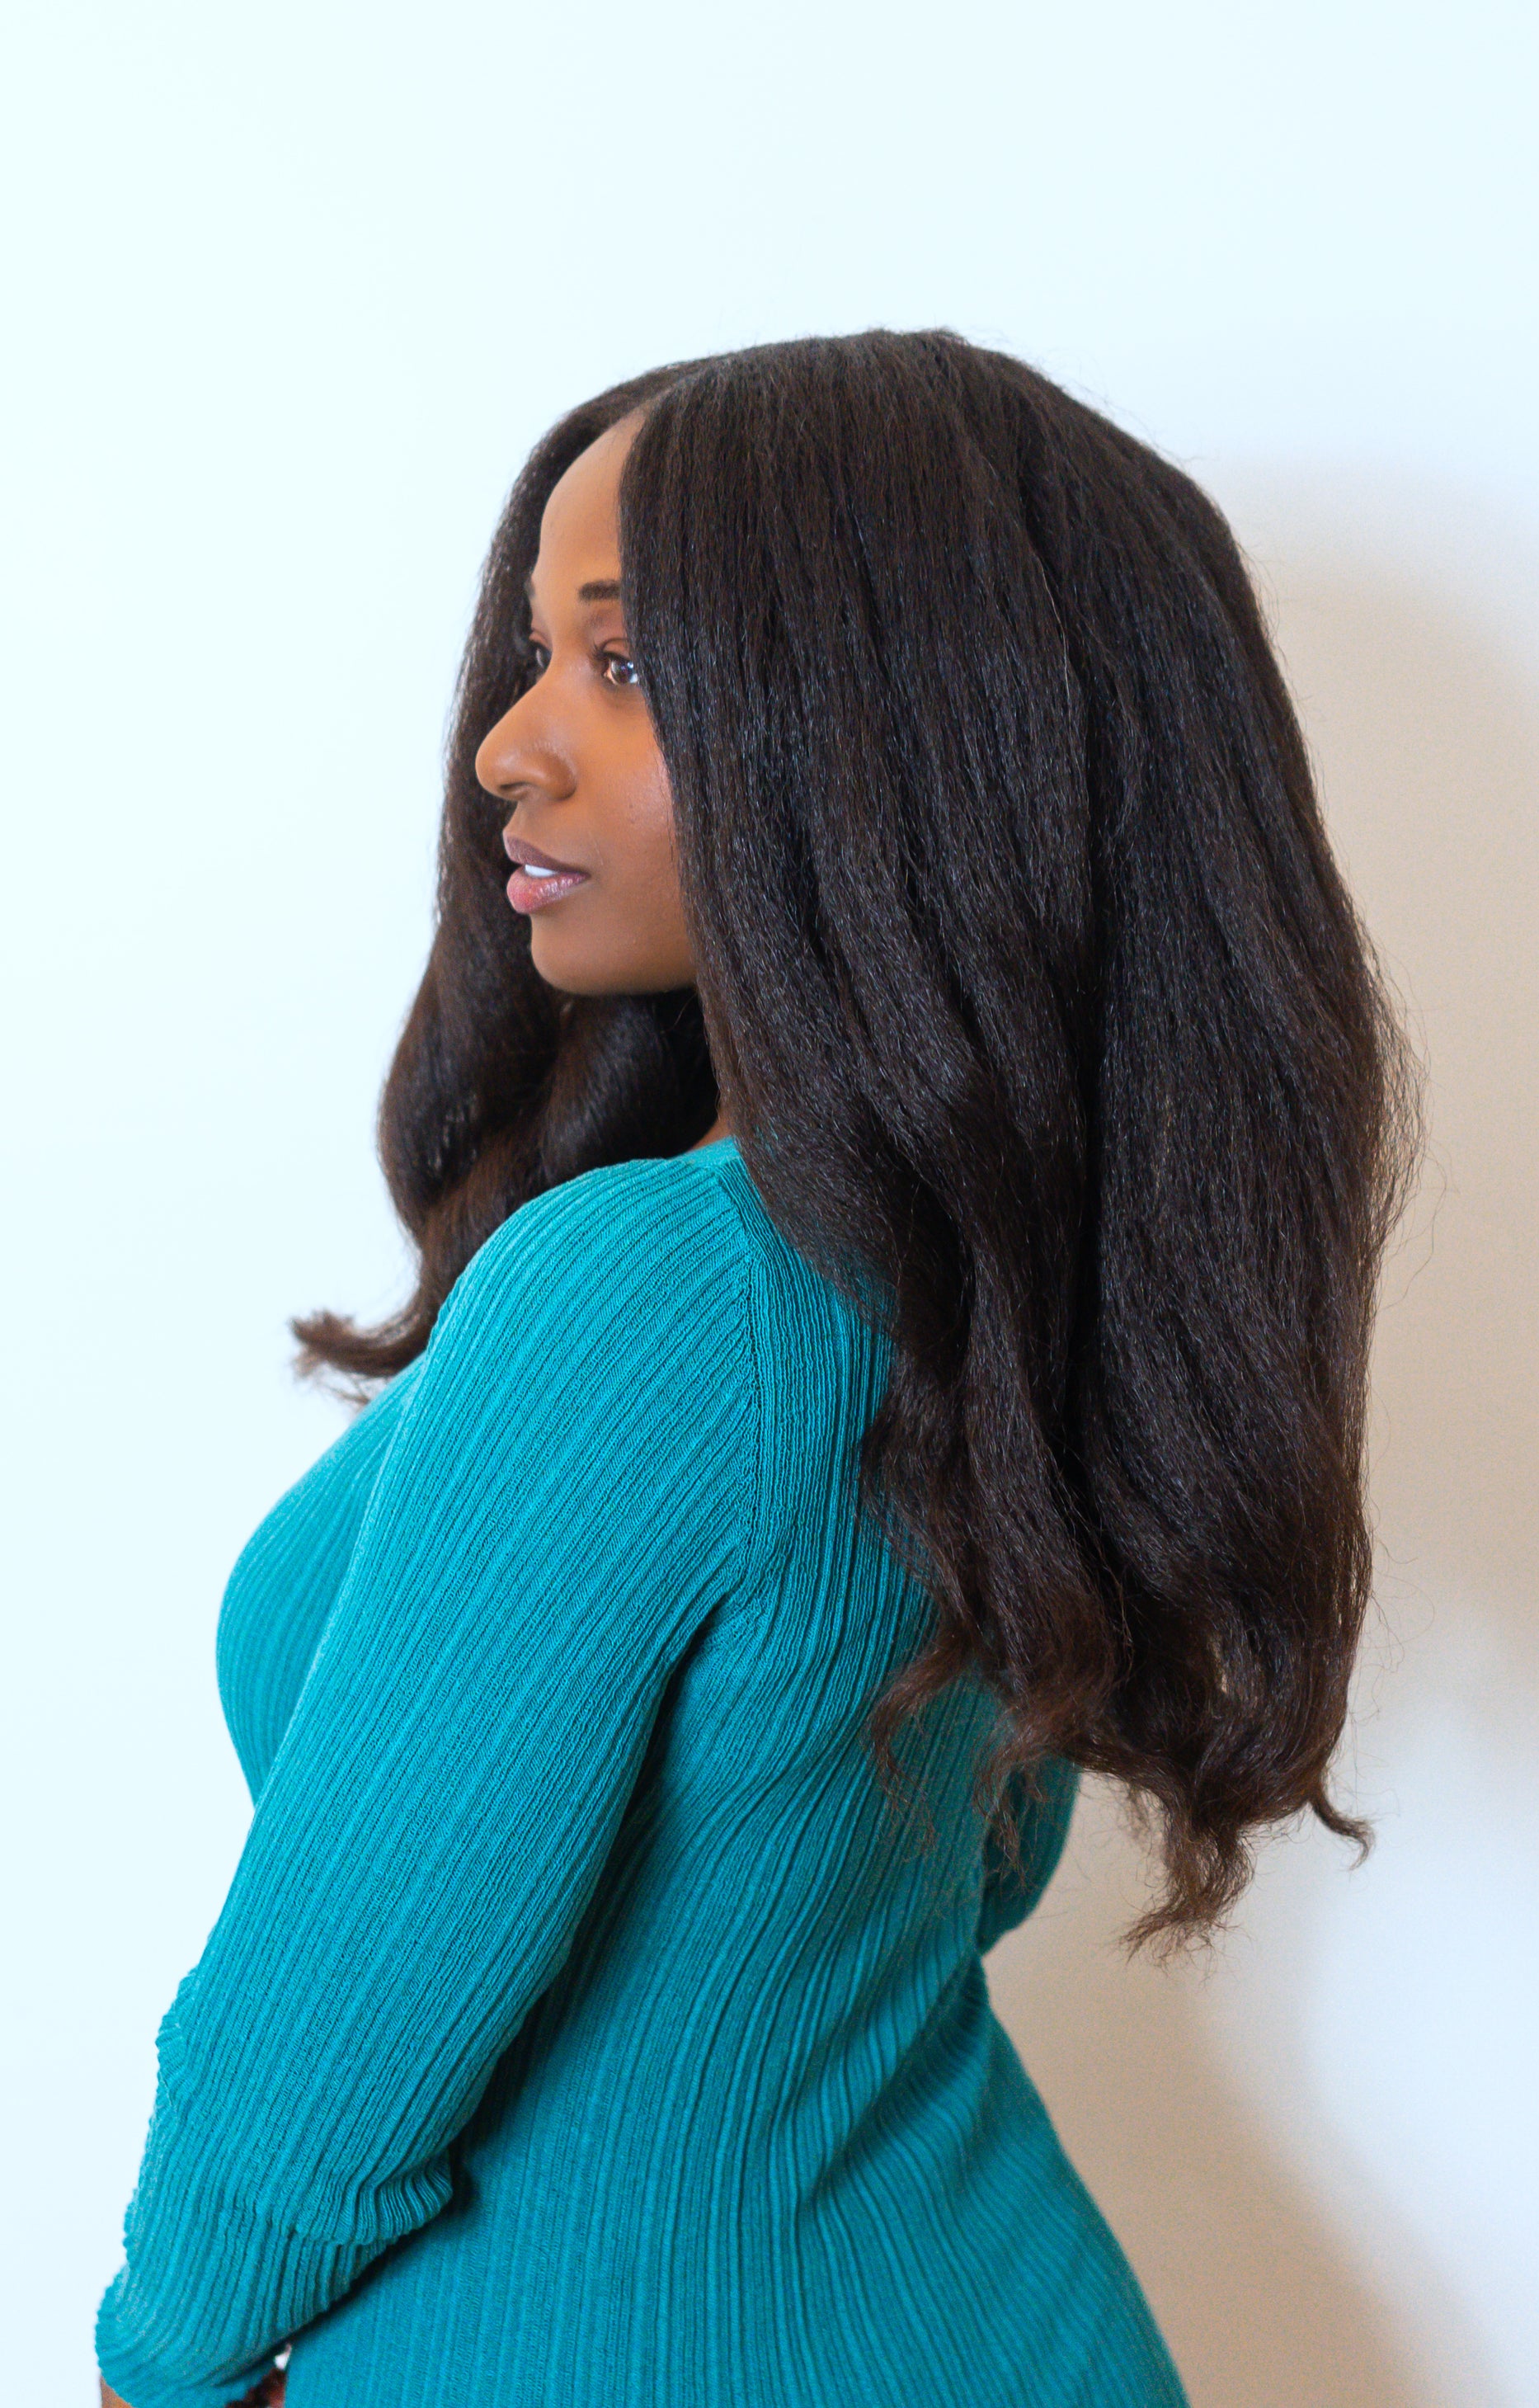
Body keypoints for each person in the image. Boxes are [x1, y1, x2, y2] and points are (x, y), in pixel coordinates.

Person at [96, 329, 1418, 2408]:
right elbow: (942, 1885)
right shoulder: (975, 1295)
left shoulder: (649, 1293)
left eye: (620, 665)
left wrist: (157, 2359)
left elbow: (321, 2041)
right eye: (532, 655)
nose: (508, 747)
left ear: (895, 734)